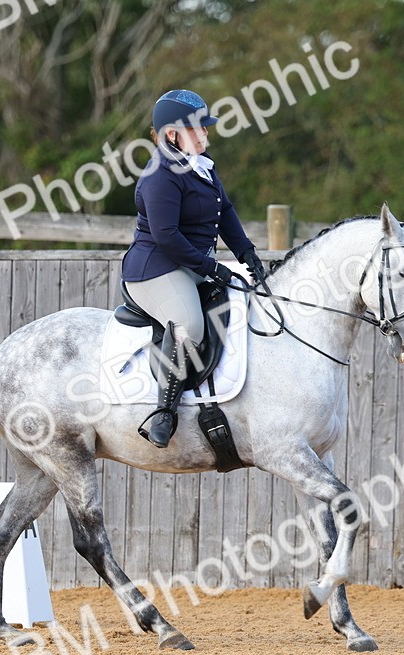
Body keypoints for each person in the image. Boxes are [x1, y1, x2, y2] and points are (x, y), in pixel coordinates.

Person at [122, 89, 266, 448]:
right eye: (199, 128)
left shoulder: (201, 165)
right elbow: (167, 236)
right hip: (156, 269)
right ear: (173, 134)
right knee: (190, 326)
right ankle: (164, 410)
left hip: (192, 262)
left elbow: (226, 211)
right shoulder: (160, 175)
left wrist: (247, 253)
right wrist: (214, 268)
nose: (206, 134)